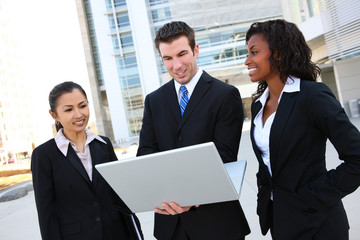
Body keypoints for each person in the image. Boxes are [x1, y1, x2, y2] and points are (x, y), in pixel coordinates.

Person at [245, 19, 360, 240]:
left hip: (318, 225)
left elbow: (357, 157)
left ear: (278, 52)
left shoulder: (312, 96)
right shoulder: (259, 105)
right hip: (281, 222)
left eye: (254, 52)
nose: (247, 60)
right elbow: (268, 161)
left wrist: (312, 196)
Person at [137, 21, 250, 240]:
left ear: (195, 50)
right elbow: (146, 154)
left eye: (182, 54)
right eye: (168, 58)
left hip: (216, 224)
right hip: (171, 225)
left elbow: (223, 156)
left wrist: (188, 195)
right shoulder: (154, 101)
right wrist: (165, 196)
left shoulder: (225, 95)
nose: (176, 65)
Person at [31, 81, 143, 240]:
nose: (78, 114)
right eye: (69, 109)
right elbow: (46, 213)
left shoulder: (104, 145)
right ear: (54, 115)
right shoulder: (43, 155)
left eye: (82, 106)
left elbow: (120, 198)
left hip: (117, 233)